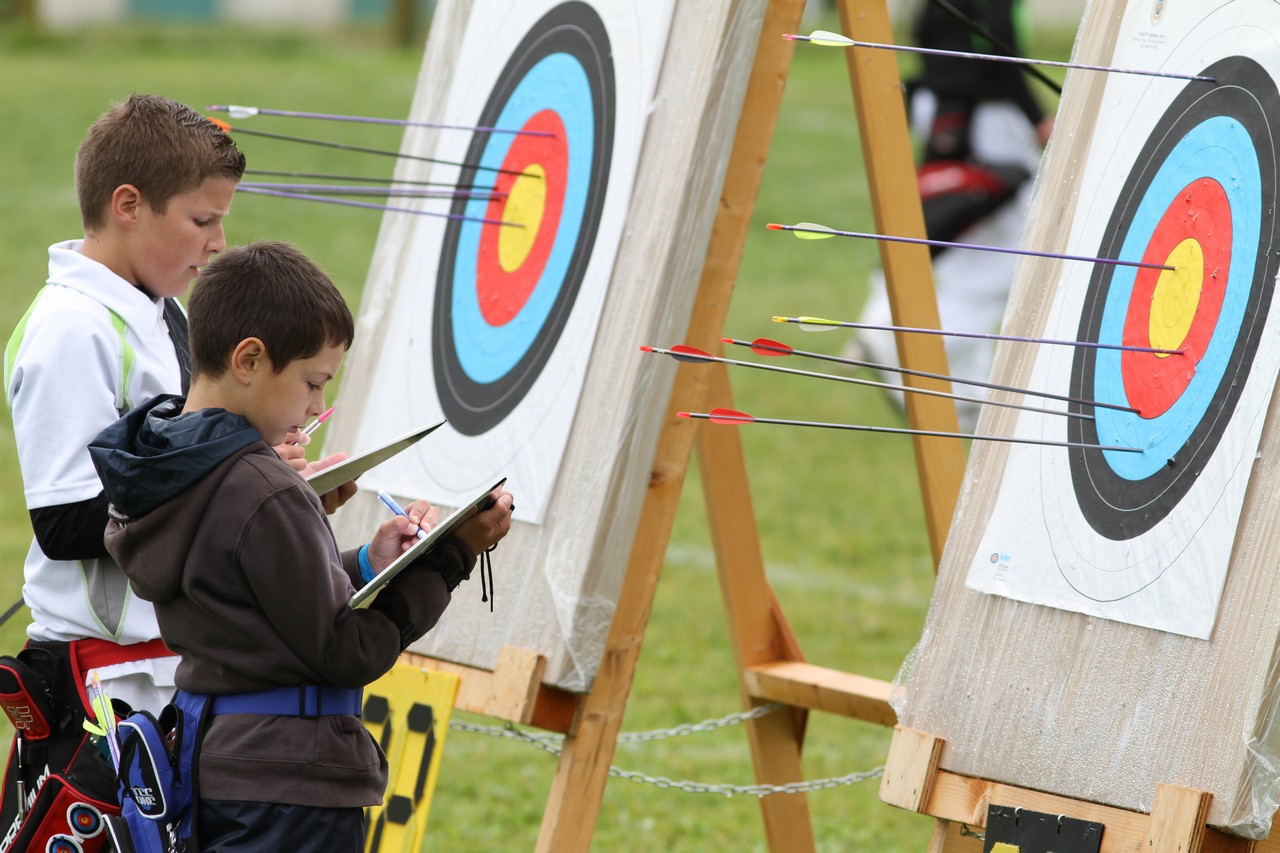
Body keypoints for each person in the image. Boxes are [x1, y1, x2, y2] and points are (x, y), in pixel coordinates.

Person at [0, 95, 352, 849]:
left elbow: (184, 460)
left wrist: (266, 472)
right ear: (129, 205)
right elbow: (64, 522)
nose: (220, 242)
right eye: (202, 221)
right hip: (102, 690)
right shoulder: (71, 328)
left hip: (163, 672)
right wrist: (229, 482)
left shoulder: (162, 313)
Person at [89, 240, 514, 851]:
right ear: (250, 360)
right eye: (313, 383)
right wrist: (449, 557)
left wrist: (369, 563)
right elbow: (344, 650)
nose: (316, 407)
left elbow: (253, 596)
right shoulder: (261, 486)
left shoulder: (175, 466)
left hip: (218, 770)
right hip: (291, 790)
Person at [853, 0, 1054, 431]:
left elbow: (935, 32)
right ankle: (890, 335)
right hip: (985, 111)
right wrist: (1036, 115)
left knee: (969, 243)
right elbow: (998, 44)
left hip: (948, 105)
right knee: (1006, 257)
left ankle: (964, 391)